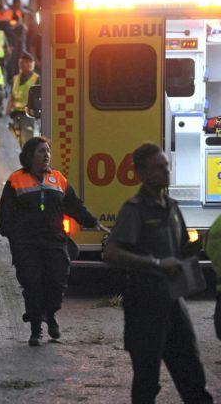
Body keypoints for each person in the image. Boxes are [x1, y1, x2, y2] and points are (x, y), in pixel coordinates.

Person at [102, 142, 213, 403]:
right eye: (159, 167)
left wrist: (206, 241)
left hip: (174, 301)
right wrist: (155, 263)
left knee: (192, 375)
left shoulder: (172, 207)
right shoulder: (135, 209)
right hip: (145, 305)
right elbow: (112, 253)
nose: (166, 171)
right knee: (147, 381)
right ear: (141, 174)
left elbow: (184, 249)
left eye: (166, 165)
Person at [0, 136, 107, 347]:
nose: (46, 155)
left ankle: (51, 313)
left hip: (54, 240)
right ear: (30, 156)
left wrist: (93, 222)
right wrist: (14, 238)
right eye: (41, 151)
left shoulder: (58, 179)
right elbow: (6, 215)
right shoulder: (16, 180)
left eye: (48, 151)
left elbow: (74, 206)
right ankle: (36, 329)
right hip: (27, 243)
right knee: (32, 284)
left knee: (56, 281)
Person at [6, 51, 39, 145]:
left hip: (29, 114)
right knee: (20, 139)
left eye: (29, 62)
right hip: (16, 114)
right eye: (23, 62)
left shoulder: (37, 78)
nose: (26, 64)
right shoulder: (15, 78)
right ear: (20, 64)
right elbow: (12, 96)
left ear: (32, 64)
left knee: (27, 138)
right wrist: (7, 112)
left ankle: (29, 157)